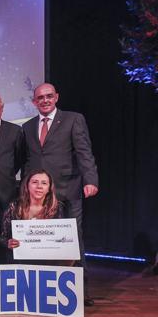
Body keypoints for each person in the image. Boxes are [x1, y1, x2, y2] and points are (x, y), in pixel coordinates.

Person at [22, 83, 99, 305]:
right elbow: (27, 159)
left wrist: (90, 180)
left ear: (56, 97)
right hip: (38, 195)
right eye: (40, 98)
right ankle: (43, 291)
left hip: (68, 189)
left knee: (73, 239)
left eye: (49, 96)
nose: (45, 100)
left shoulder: (73, 119)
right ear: (34, 102)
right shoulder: (27, 127)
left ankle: (80, 292)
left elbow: (84, 152)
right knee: (40, 242)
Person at [0, 169, 64, 263]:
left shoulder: (57, 208)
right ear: (27, 186)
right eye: (35, 182)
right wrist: (8, 243)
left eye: (44, 183)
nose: (39, 186)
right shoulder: (14, 207)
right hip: (19, 259)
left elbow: (62, 239)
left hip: (47, 260)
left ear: (49, 188)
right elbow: (2, 238)